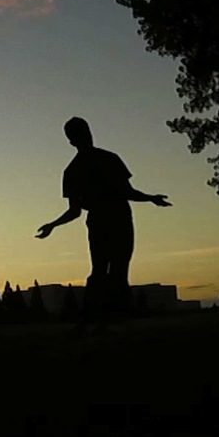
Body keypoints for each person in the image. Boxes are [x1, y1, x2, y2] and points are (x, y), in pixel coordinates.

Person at [36, 117, 171, 334]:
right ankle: (108, 320)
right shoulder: (104, 160)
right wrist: (150, 198)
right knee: (114, 270)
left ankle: (101, 320)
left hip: (107, 219)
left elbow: (76, 210)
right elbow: (127, 192)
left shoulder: (75, 169)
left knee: (105, 270)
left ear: (71, 141)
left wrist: (53, 225)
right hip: (115, 218)